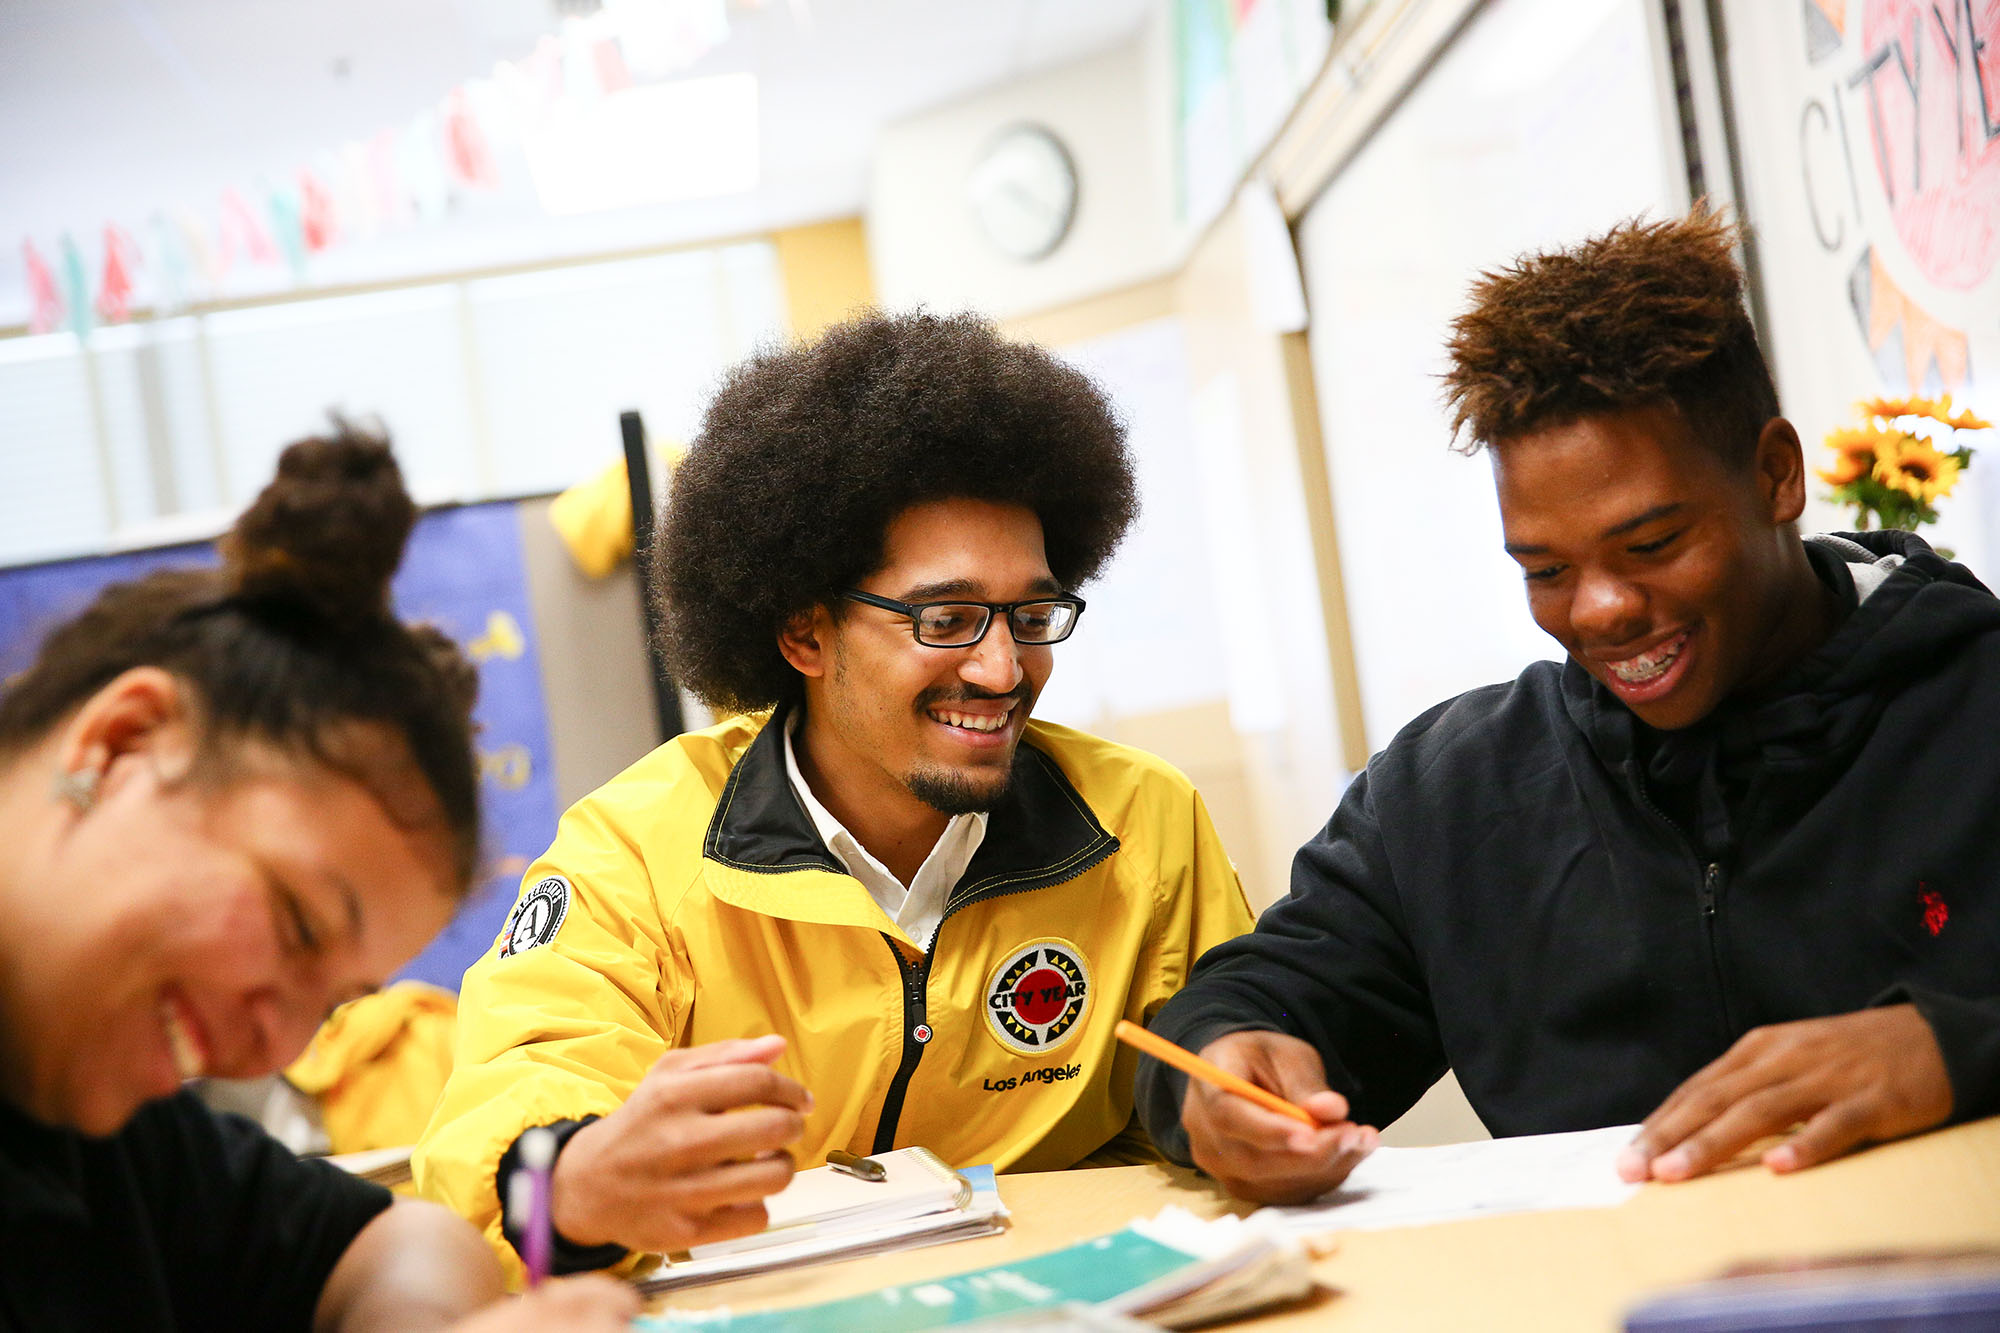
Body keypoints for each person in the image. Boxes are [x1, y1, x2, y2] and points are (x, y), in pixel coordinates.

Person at [1134, 209, 1999, 1204]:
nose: (1598, 611)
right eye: (1543, 568)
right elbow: (1252, 1001)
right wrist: (1217, 1070)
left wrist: (1956, 1045)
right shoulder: (1452, 792)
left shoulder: (1969, 700)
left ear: (1773, 475)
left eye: (1649, 545)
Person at [416, 311, 1256, 1274]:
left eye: (1029, 614)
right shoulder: (638, 850)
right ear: (805, 633)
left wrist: (1236, 1114)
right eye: (945, 617)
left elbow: (1219, 1060)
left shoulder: (1141, 824)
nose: (1002, 667)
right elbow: (510, 1098)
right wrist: (577, 1180)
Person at [0, 425, 637, 1330]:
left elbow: (396, 1241)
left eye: (332, 1002)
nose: (268, 1049)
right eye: (296, 922)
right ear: (122, 744)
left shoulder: (89, 1102)